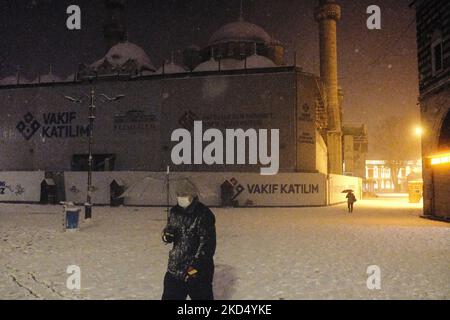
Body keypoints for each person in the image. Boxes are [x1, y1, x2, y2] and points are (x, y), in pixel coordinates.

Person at [161, 181, 216, 300]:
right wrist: (167, 235)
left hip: (197, 272)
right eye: (179, 194)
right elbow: (169, 230)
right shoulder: (174, 212)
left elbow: (207, 245)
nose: (181, 198)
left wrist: (194, 268)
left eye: (184, 195)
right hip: (175, 268)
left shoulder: (203, 214)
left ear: (192, 196)